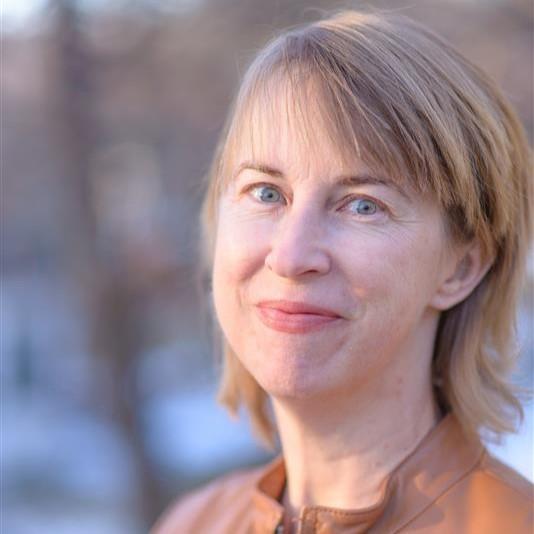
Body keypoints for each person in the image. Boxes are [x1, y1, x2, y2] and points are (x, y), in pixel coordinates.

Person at [152, 9, 533, 534]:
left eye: (362, 205)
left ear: (460, 269)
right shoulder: (190, 523)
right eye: (266, 193)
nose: (290, 256)